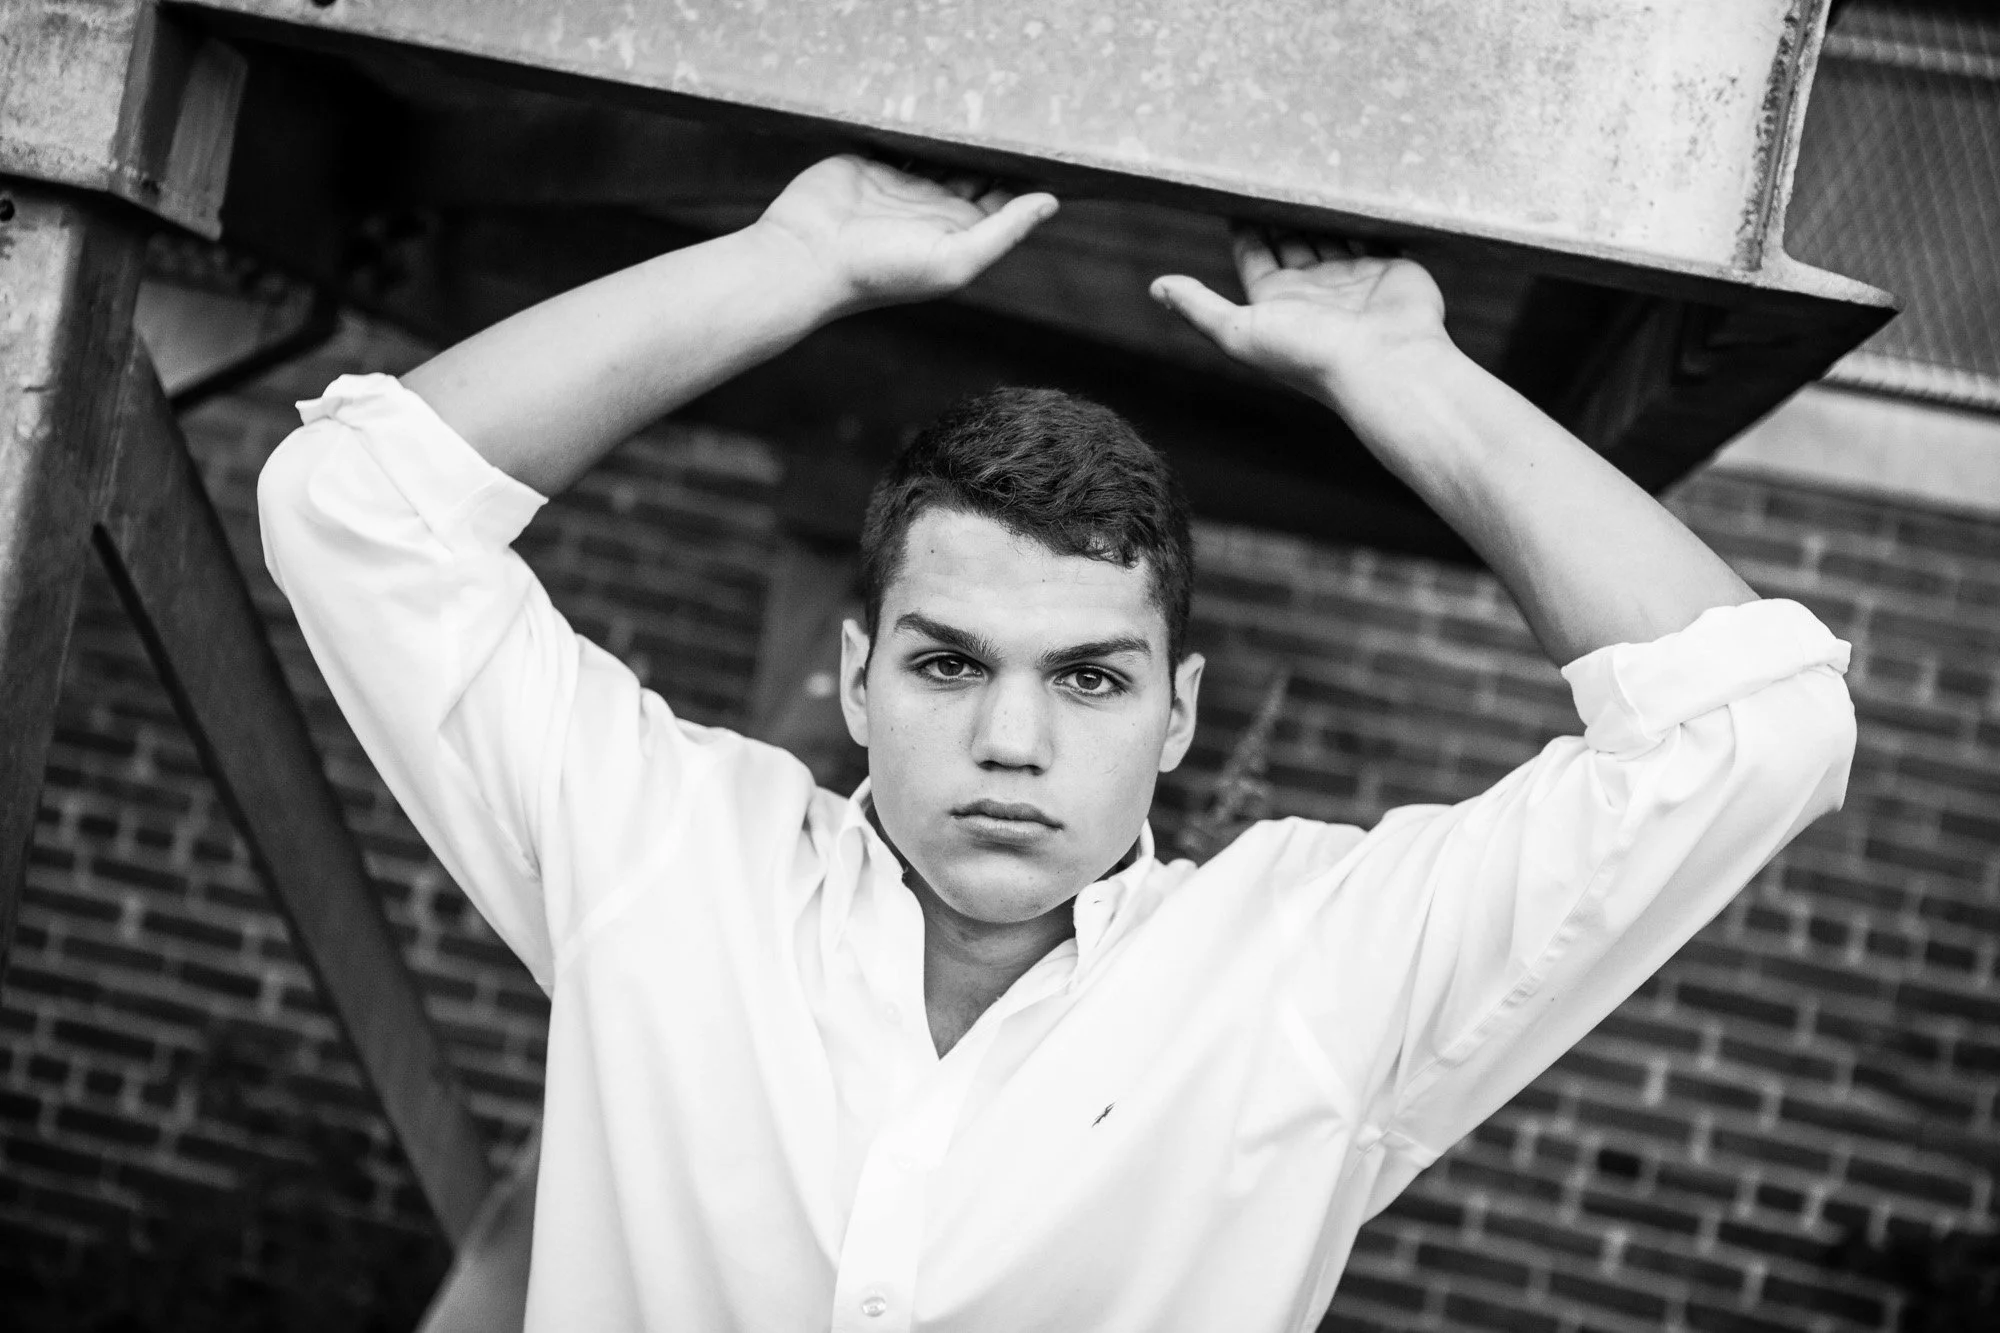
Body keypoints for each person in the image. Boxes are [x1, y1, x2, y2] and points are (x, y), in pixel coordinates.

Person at [257, 155, 1854, 1332]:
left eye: (1090, 681)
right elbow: (354, 511)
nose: (1009, 741)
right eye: (949, 664)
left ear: (1181, 718)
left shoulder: (1309, 968)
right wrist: (793, 259)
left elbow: (1757, 729)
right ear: (857, 671)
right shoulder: (672, 854)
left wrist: (1407, 373)